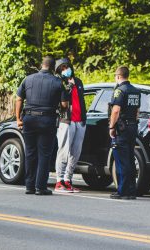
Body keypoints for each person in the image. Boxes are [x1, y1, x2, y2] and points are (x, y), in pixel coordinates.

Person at [16, 56, 68, 195]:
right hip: (47, 120)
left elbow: (19, 98)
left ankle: (29, 186)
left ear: (41, 65)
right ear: (52, 68)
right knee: (44, 154)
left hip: (29, 119)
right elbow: (64, 105)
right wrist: (61, 109)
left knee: (30, 152)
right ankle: (40, 187)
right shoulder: (57, 82)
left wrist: (18, 118)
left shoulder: (28, 79)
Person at [54, 57, 87, 193]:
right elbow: (62, 104)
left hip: (80, 121)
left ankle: (68, 179)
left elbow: (81, 99)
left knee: (75, 152)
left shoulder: (78, 81)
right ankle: (59, 181)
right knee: (63, 151)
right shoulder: (59, 83)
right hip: (66, 121)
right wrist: (69, 87)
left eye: (66, 67)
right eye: (61, 69)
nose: (65, 70)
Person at [108, 66, 141, 200]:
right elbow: (137, 111)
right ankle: (131, 190)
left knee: (121, 160)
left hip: (122, 128)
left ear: (118, 76)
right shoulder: (136, 91)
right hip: (133, 127)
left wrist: (111, 127)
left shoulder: (120, 91)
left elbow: (115, 110)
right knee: (130, 159)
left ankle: (122, 191)